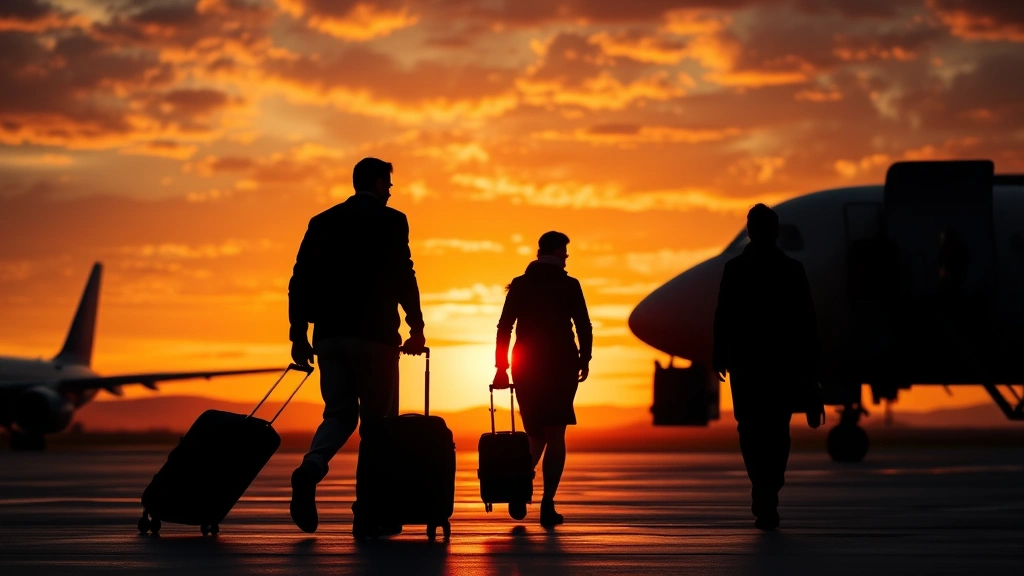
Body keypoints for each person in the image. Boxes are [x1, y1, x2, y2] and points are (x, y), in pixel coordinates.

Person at [286, 157, 426, 536]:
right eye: (388, 183)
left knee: (338, 416)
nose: (391, 191)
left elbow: (299, 281)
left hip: (330, 337)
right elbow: (403, 274)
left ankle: (311, 468)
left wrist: (298, 334)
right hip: (376, 338)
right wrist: (417, 326)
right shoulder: (392, 221)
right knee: (378, 427)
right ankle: (367, 512)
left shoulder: (323, 221)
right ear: (378, 183)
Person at [712, 204, 823, 531]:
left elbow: (723, 316)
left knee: (752, 429)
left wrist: (720, 354)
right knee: (775, 430)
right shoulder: (791, 269)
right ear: (774, 231)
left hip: (748, 364)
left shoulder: (737, 268)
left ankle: (764, 489)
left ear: (749, 230)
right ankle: (768, 489)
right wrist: (812, 366)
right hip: (780, 364)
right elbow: (808, 321)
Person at [493, 231, 592, 528]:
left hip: (527, 365)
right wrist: (584, 358)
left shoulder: (521, 285)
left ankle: (518, 485)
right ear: (559, 253)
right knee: (555, 435)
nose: (567, 258)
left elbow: (505, 326)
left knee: (535, 433)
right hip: (561, 365)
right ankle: (548, 503)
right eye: (565, 253)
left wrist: (501, 366)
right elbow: (583, 325)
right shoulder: (569, 285)